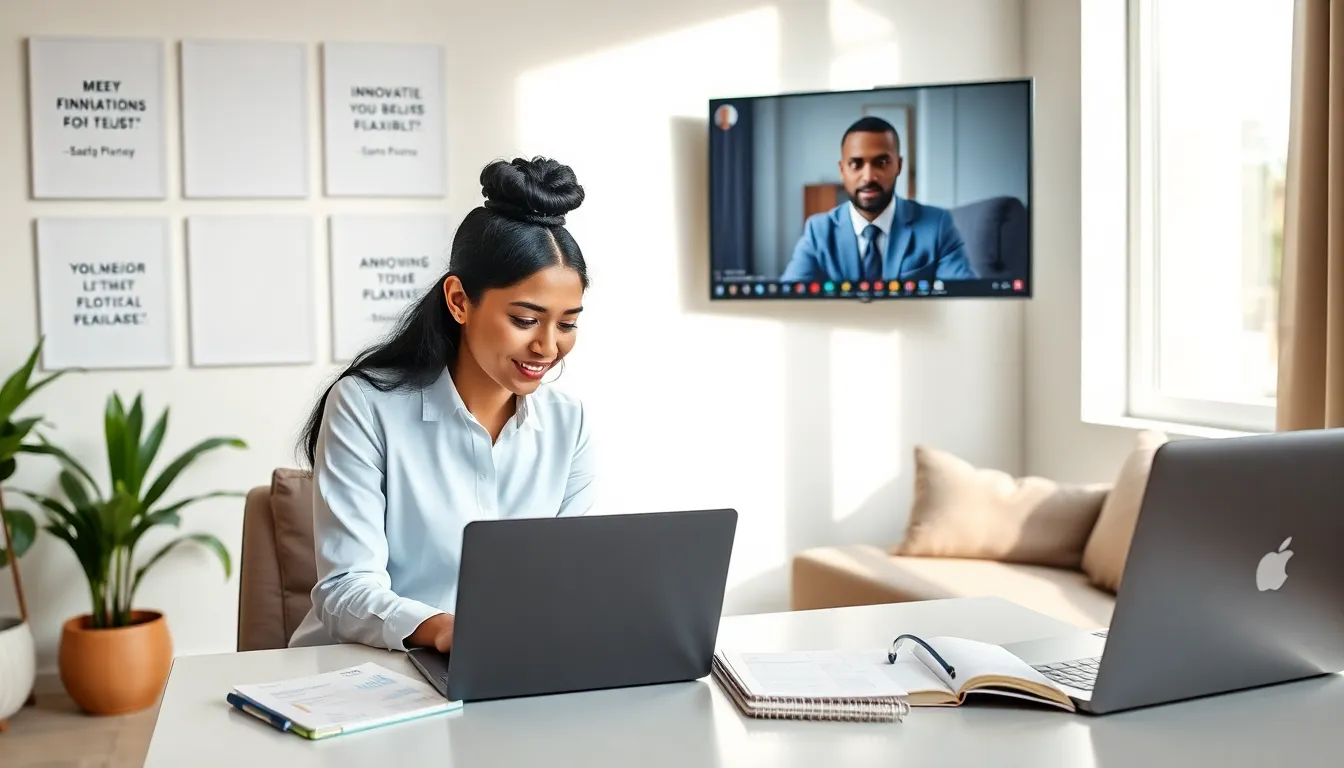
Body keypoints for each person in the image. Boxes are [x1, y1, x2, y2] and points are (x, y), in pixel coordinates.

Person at [287, 156, 596, 654]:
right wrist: (446, 630)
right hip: (367, 670)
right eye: (524, 319)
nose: (547, 346)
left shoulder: (569, 423)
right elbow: (345, 589)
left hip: (503, 667)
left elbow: (571, 577)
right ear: (458, 301)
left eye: (567, 323)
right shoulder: (366, 406)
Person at [779, 116, 978, 284]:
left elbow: (967, 299)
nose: (868, 177)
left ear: (898, 166)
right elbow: (789, 301)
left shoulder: (937, 225)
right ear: (842, 170)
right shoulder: (818, 231)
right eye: (856, 164)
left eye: (881, 163)